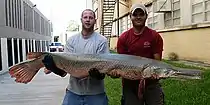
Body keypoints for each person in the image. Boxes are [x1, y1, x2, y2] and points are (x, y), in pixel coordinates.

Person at [42, 9, 109, 105]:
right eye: (85, 17)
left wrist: (99, 74)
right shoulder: (71, 41)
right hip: (73, 92)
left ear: (95, 20)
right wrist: (54, 68)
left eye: (91, 17)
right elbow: (65, 70)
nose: (88, 20)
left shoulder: (102, 41)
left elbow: (103, 67)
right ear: (81, 20)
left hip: (96, 93)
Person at [110, 3, 164, 105]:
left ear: (146, 16)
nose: (138, 17)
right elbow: (120, 63)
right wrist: (115, 73)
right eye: (135, 14)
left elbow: (157, 62)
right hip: (130, 84)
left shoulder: (154, 36)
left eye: (141, 14)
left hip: (151, 83)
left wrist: (155, 74)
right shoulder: (123, 38)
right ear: (130, 17)